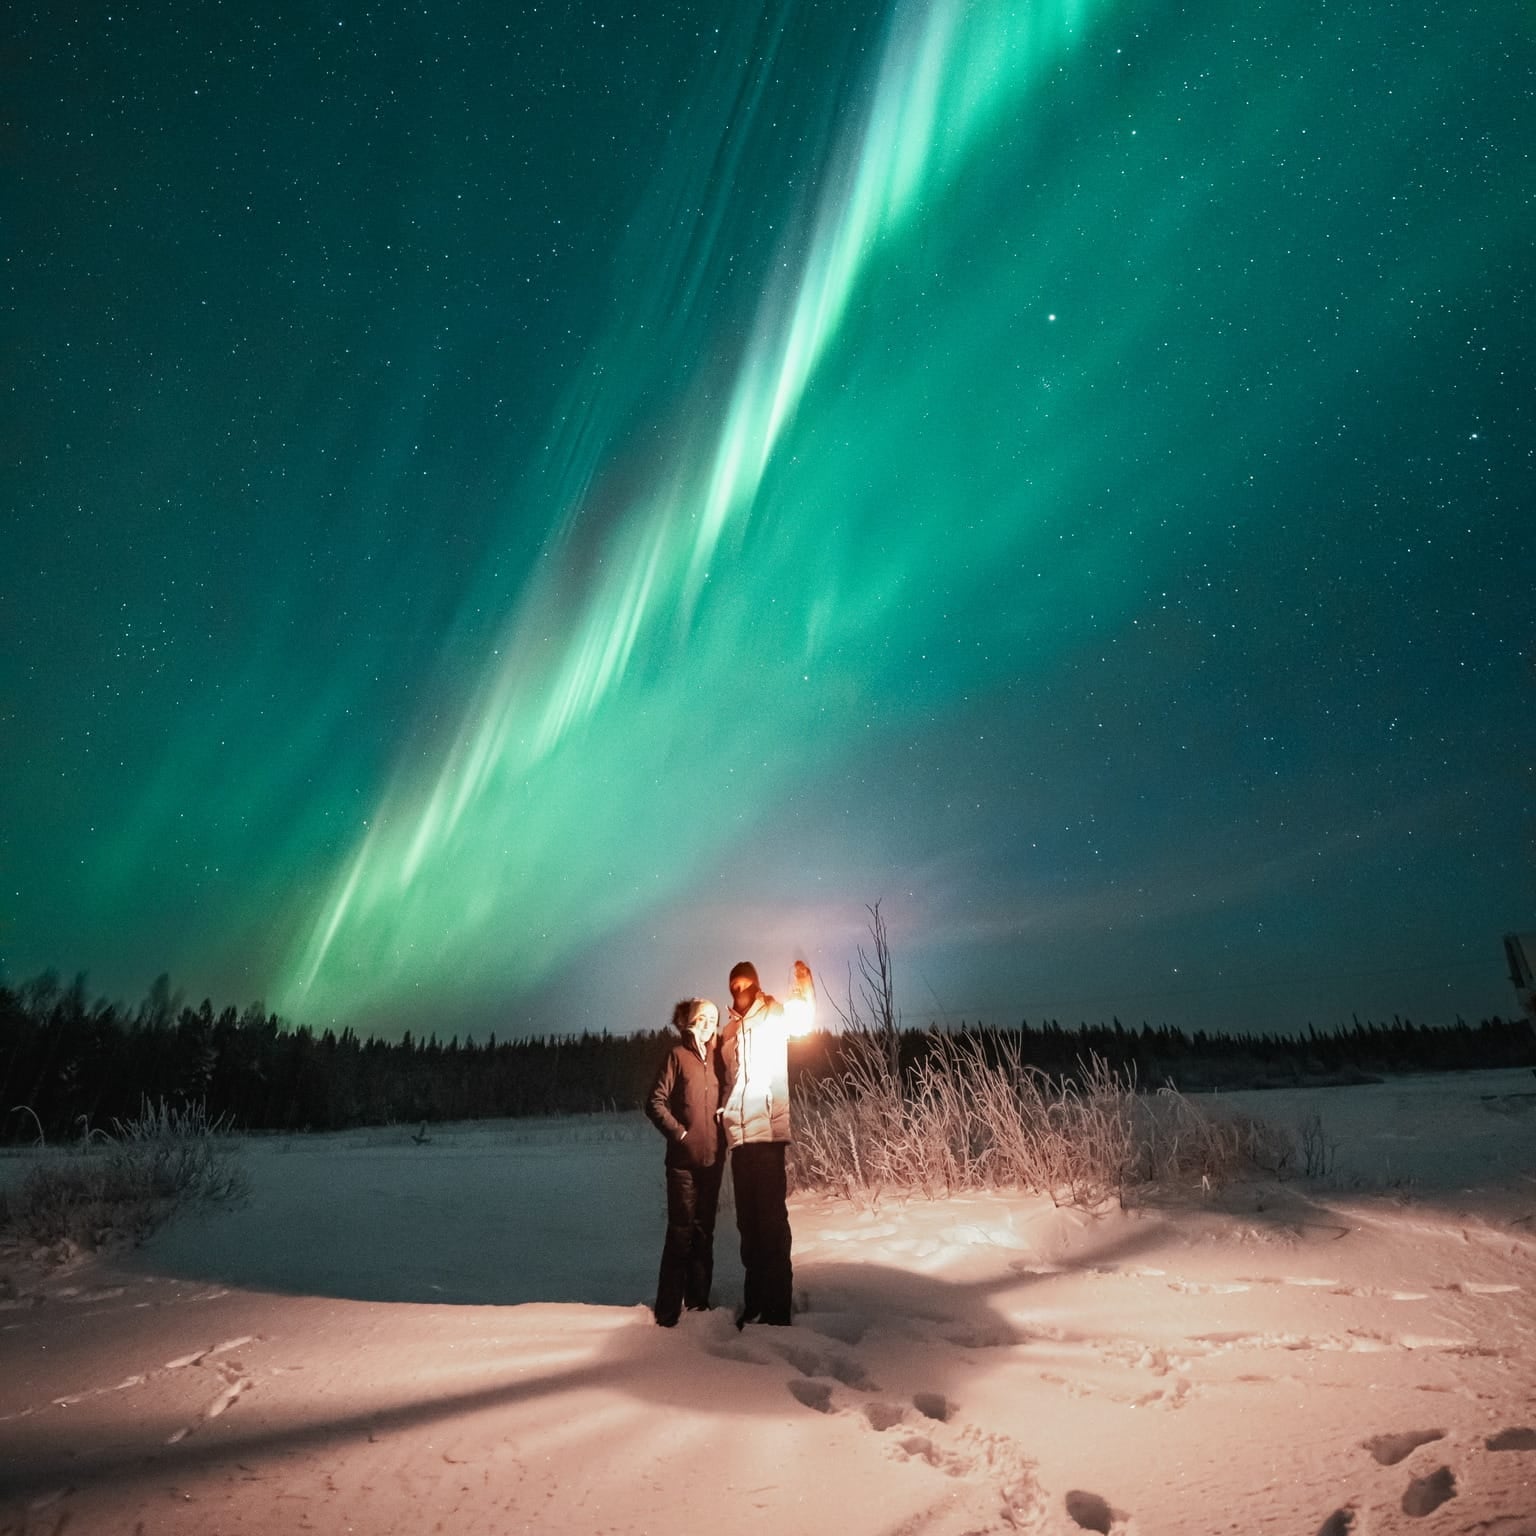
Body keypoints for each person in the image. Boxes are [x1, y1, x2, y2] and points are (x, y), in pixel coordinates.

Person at [718, 957, 815, 1326]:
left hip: (768, 1138)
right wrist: (723, 1114)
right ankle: (755, 1303)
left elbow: (804, 1021)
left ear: (756, 984)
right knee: (748, 1227)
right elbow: (729, 1082)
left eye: (745, 983)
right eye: (734, 985)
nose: (739, 989)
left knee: (772, 1223)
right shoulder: (728, 1032)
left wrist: (803, 984)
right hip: (740, 1141)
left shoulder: (775, 1014)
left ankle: (777, 1309)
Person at [644, 997, 726, 1327]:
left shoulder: (718, 1060)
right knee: (680, 1234)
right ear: (690, 1020)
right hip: (682, 1165)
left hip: (713, 1161)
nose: (708, 1024)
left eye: (713, 1020)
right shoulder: (677, 1056)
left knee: (705, 1235)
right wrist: (679, 1133)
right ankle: (667, 1312)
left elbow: (728, 1092)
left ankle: (698, 1305)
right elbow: (654, 1102)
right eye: (702, 1018)